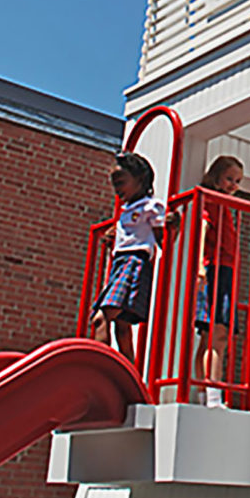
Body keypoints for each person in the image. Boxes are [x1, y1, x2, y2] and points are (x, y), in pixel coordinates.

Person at [91, 152, 166, 361]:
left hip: (134, 262)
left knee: (102, 317)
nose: (117, 190)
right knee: (121, 327)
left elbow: (163, 239)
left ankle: (100, 368)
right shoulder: (126, 210)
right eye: (114, 185)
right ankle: (130, 373)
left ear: (140, 179)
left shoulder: (150, 207)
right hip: (120, 262)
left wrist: (171, 226)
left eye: (121, 183)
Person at [194, 155, 244, 408]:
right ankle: (213, 394)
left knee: (210, 335)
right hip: (215, 268)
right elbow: (203, 226)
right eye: (229, 179)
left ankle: (205, 395)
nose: (233, 185)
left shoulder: (225, 204)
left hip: (225, 269)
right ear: (216, 176)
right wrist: (200, 266)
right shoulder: (212, 201)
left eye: (237, 181)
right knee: (218, 333)